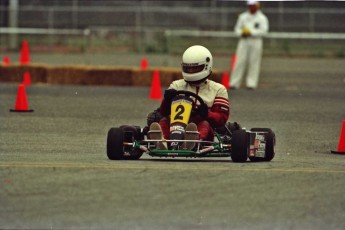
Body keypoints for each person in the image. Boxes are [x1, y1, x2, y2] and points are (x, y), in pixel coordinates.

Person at [149, 45, 230, 150]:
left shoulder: (218, 89)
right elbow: (163, 112)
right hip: (176, 125)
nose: (191, 71)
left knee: (204, 124)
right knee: (164, 121)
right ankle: (163, 142)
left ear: (206, 66)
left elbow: (222, 118)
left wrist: (207, 114)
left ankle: (191, 142)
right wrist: (166, 100)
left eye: (195, 68)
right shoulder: (176, 86)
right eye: (188, 68)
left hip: (202, 128)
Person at [230, 0, 269, 90]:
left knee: (254, 62)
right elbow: (237, 29)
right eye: (249, 5)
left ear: (257, 5)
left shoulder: (262, 18)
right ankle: (234, 83)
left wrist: (251, 33)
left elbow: (264, 31)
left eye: (253, 5)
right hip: (244, 41)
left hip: (256, 41)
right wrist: (242, 33)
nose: (251, 7)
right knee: (239, 61)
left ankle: (251, 83)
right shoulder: (243, 17)